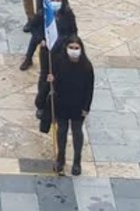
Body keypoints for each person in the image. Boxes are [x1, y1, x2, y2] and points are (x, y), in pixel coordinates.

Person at [45, 36, 94, 176]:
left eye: (76, 48)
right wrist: (52, 80)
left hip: (78, 106)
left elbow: (89, 89)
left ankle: (77, 161)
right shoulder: (60, 62)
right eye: (71, 48)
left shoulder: (86, 66)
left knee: (77, 132)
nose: (73, 50)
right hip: (62, 104)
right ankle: (61, 158)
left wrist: (86, 107)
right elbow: (56, 81)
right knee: (61, 131)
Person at [22, 0, 76, 71]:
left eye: (57, 1)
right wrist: (40, 38)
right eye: (52, 0)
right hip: (44, 36)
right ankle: (28, 58)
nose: (55, 3)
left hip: (61, 38)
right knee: (34, 40)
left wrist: (67, 40)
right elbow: (33, 26)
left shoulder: (68, 15)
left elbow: (73, 30)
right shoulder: (42, 13)